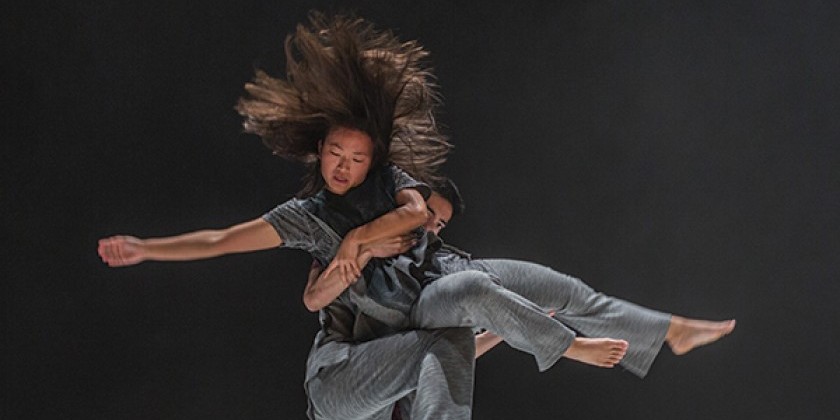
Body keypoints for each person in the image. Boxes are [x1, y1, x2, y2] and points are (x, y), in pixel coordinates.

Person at [98, 13, 734, 419]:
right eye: (335, 157)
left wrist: (365, 238)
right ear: (318, 153)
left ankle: (667, 330)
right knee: (456, 327)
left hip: (435, 298)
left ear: (374, 158)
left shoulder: (395, 189)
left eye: (356, 158)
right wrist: (150, 248)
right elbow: (223, 241)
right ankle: (567, 347)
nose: (344, 168)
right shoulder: (307, 216)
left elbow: (414, 213)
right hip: (350, 378)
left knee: (546, 289)